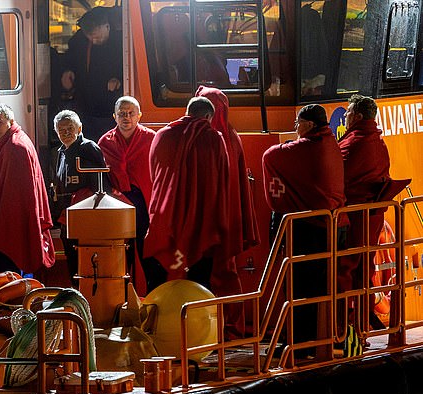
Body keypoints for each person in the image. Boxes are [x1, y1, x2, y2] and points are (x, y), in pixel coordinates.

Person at [262, 104, 346, 357]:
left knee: (301, 286)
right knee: (324, 286)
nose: (295, 128)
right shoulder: (331, 143)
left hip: (311, 229)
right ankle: (321, 337)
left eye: (297, 123)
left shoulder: (306, 148)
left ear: (309, 125)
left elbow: (270, 156)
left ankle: (299, 342)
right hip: (335, 225)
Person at [144, 97, 230, 292]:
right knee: (198, 286)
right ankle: (195, 322)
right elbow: (222, 180)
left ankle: (157, 322)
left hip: (164, 221)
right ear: (208, 117)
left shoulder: (162, 135)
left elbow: (153, 174)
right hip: (201, 226)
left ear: (187, 111)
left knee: (159, 285)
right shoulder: (214, 138)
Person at [337, 94, 408, 330]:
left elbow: (338, 178)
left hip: (354, 218)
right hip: (372, 216)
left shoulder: (353, 143)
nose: (345, 116)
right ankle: (362, 320)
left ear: (356, 116)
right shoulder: (378, 142)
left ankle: (343, 323)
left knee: (345, 267)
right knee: (363, 268)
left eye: (347, 113)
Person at [196, 86, 260, 339]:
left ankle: (225, 329)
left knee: (221, 274)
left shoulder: (214, 138)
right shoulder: (230, 136)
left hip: (214, 221)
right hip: (225, 219)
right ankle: (228, 328)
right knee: (224, 273)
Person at [0, 104, 55, 275]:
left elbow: (16, 194)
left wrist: (4, 219)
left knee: (8, 271)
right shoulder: (10, 141)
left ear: (11, 121)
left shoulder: (16, 147)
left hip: (11, 223)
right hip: (8, 220)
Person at [98, 96, 154, 288]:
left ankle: (149, 290)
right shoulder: (106, 141)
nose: (126, 118)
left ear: (139, 116)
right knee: (122, 250)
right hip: (118, 202)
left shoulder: (150, 138)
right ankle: (121, 293)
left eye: (131, 114)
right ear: (114, 116)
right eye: (122, 114)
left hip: (144, 201)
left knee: (145, 246)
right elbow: (102, 176)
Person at [53, 109, 110, 280]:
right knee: (71, 261)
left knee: (84, 262)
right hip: (67, 216)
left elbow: (100, 185)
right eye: (61, 130)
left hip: (85, 216)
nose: (66, 133)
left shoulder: (88, 148)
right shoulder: (61, 152)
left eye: (70, 128)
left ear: (80, 128)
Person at [61, 7, 123, 141]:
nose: (94, 42)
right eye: (90, 38)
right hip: (85, 103)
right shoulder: (79, 40)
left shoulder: (122, 41)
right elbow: (70, 58)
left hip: (109, 106)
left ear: (107, 26)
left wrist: (119, 79)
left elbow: (131, 68)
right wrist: (68, 70)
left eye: (98, 37)